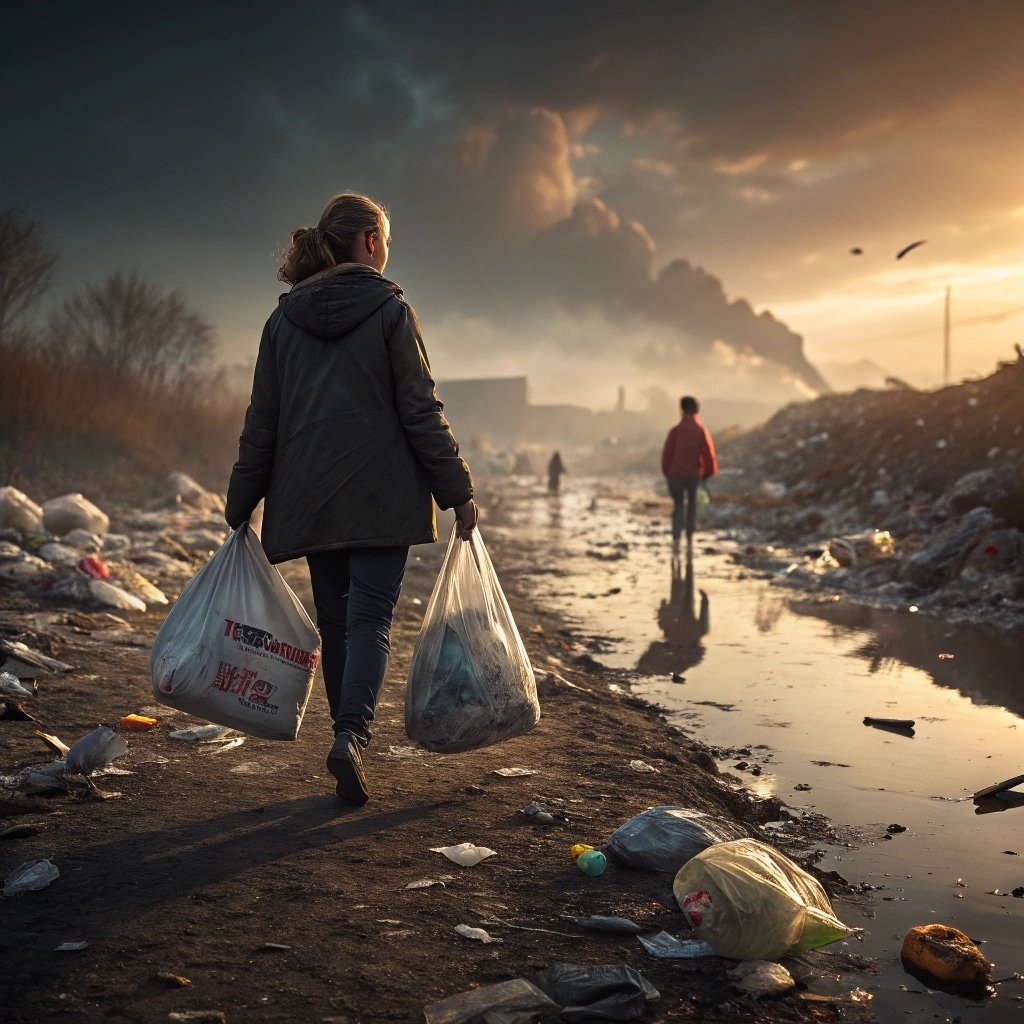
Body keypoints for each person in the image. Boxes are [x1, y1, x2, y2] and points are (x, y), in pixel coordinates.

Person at [225, 192, 477, 805]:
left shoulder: (281, 323)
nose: (386, 251)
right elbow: (420, 410)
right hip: (381, 497)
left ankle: (345, 736)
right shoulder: (391, 312)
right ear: (369, 240)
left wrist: (242, 501)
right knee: (370, 620)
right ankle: (351, 736)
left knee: (337, 623)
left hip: (309, 499)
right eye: (385, 239)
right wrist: (458, 491)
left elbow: (263, 421)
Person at [661, 395, 717, 550]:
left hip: (675, 475)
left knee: (678, 505)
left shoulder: (675, 431)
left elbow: (667, 454)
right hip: (693, 476)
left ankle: (676, 537)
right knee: (692, 505)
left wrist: (667, 472)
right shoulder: (701, 431)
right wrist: (708, 473)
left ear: (682, 410)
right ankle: (690, 537)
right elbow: (708, 455)